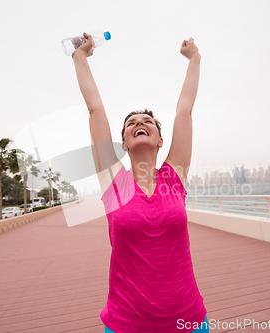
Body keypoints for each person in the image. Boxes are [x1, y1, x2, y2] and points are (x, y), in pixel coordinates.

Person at [72, 33, 207, 333]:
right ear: (123, 143)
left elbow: (184, 109)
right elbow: (95, 109)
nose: (139, 123)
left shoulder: (174, 178)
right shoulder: (114, 182)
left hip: (189, 321)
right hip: (126, 324)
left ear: (161, 141)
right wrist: (80, 58)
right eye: (131, 123)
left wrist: (195, 59)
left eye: (147, 121)